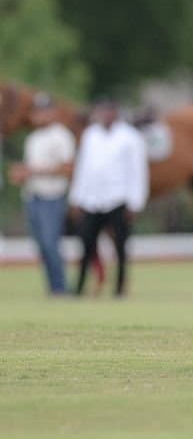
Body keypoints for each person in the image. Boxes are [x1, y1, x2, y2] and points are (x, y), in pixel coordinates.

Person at [69, 98, 148, 297]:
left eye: (108, 111)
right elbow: (83, 168)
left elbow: (137, 171)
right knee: (87, 244)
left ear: (115, 113)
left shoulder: (130, 137)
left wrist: (135, 202)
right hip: (93, 200)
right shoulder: (91, 135)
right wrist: (77, 197)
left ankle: (119, 288)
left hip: (118, 198)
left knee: (120, 246)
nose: (104, 115)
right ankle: (79, 288)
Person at [7, 92, 76, 296]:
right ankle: (53, 287)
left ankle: (61, 287)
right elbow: (32, 168)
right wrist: (21, 174)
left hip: (52, 196)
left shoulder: (61, 136)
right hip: (33, 196)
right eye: (37, 111)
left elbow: (68, 168)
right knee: (41, 245)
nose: (40, 115)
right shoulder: (33, 138)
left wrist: (33, 171)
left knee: (50, 242)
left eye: (45, 110)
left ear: (53, 112)